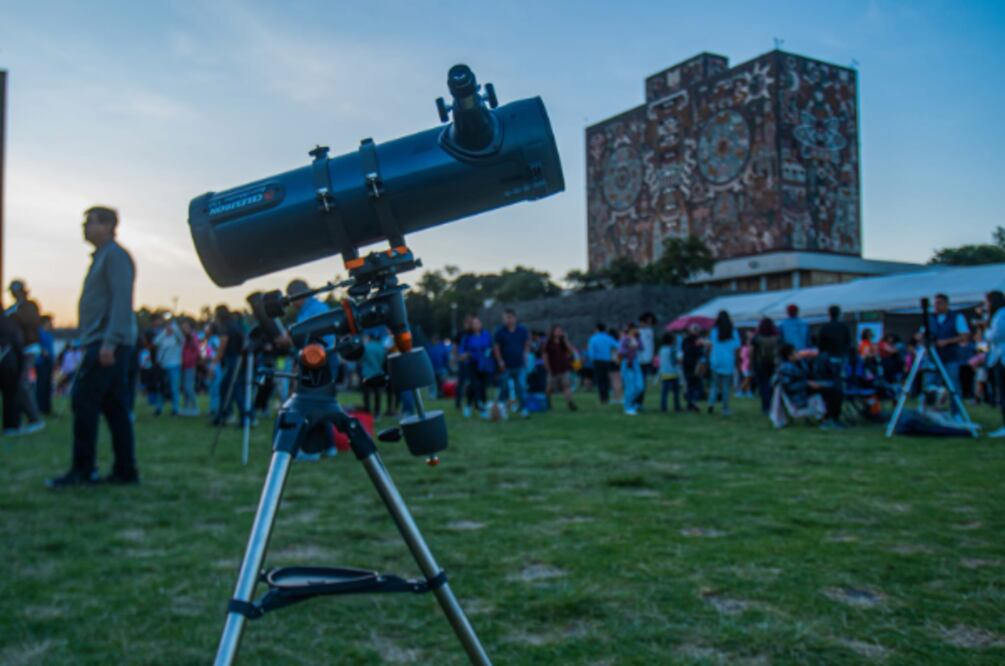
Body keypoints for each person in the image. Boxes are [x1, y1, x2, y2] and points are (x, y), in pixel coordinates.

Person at [48, 206, 139, 487]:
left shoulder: (114, 256)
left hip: (107, 344)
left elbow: (122, 301)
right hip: (103, 341)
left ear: (109, 225)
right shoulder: (103, 256)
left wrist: (109, 343)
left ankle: (83, 469)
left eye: (90, 222)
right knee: (115, 408)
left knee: (84, 403)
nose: (85, 228)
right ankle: (125, 471)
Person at [5, 279, 45, 433]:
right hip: (16, 350)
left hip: (30, 349)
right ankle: (19, 419)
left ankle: (35, 419)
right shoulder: (12, 308)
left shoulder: (30, 306)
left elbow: (30, 320)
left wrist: (12, 316)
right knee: (15, 385)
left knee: (23, 384)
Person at [777, 343, 843, 430]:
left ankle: (832, 418)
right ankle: (829, 419)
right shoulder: (786, 368)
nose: (798, 354)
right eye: (795, 352)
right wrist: (807, 384)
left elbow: (809, 374)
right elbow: (790, 387)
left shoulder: (799, 363)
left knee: (834, 390)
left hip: (807, 390)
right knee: (832, 392)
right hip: (800, 395)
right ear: (789, 356)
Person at [928, 292, 970, 414]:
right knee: (931, 385)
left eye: (939, 303)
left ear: (946, 304)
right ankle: (931, 411)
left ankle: (956, 412)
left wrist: (947, 341)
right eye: (935, 304)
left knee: (953, 386)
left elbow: (965, 336)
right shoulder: (931, 318)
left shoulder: (957, 317)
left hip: (950, 356)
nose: (936, 306)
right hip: (934, 357)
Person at [493, 308, 530, 418]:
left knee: (522, 387)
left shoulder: (522, 330)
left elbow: (527, 343)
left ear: (514, 318)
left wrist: (526, 355)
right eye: (505, 318)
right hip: (506, 366)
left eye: (509, 317)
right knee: (504, 388)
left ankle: (523, 409)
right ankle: (501, 410)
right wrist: (500, 361)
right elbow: (496, 347)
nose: (507, 320)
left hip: (519, 364)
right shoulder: (499, 332)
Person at [706, 310, 741, 416]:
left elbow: (710, 345)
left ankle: (711, 403)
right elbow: (737, 348)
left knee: (714, 385)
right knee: (726, 386)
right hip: (728, 361)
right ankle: (725, 408)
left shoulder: (714, 331)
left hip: (715, 360)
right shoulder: (733, 331)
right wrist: (737, 361)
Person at [459, 316, 494, 418]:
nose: (476, 325)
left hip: (484, 364)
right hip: (471, 364)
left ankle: (474, 405)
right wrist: (465, 355)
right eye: (474, 323)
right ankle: (478, 407)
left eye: (478, 323)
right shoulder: (467, 336)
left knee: (482, 386)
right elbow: (462, 351)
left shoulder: (486, 334)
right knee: (475, 384)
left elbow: (490, 346)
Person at [153, 314, 184, 416]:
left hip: (174, 365)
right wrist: (164, 332)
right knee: (161, 387)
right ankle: (159, 408)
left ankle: (175, 409)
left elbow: (182, 338)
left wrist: (175, 329)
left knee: (174, 388)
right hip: (163, 365)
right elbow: (155, 342)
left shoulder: (177, 338)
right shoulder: (162, 337)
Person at [984, 290, 1005, 438]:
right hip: (999, 357)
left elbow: (996, 335)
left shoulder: (1001, 315)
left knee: (1003, 392)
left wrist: (987, 330)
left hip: (1002, 358)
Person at [0, 301, 23, 434]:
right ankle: (11, 426)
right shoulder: (11, 323)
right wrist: (20, 367)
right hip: (10, 363)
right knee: (11, 396)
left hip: (8, 360)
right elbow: (18, 346)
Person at [542, 325, 578, 411]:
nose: (559, 332)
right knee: (549, 388)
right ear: (553, 332)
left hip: (564, 367)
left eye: (560, 330)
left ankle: (570, 402)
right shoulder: (548, 343)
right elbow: (545, 355)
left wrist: (565, 339)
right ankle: (548, 403)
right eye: (557, 330)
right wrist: (547, 367)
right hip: (553, 368)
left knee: (566, 385)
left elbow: (571, 351)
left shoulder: (563, 342)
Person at [817, 305, 852, 385]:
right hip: (842, 355)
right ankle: (841, 392)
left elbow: (820, 344)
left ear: (829, 314)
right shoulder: (844, 327)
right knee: (841, 377)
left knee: (830, 377)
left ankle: (833, 393)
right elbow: (848, 342)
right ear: (839, 314)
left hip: (829, 355)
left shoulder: (825, 327)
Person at [752, 317, 779, 414]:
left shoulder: (757, 338)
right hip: (773, 364)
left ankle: (765, 407)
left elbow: (753, 352)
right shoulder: (776, 337)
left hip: (760, 364)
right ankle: (773, 405)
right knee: (772, 385)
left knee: (763, 386)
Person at [587, 323, 619, 404]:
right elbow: (617, 345)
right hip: (607, 361)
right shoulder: (608, 338)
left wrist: (592, 360)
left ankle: (602, 398)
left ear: (597, 329)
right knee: (606, 380)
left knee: (600, 380)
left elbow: (591, 351)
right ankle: (607, 398)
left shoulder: (593, 338)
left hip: (597, 361)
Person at [360, 332, 387, 416]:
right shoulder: (381, 347)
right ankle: (377, 412)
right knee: (377, 395)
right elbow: (384, 361)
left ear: (369, 337)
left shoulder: (366, 347)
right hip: (378, 373)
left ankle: (367, 411)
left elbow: (361, 359)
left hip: (367, 374)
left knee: (367, 394)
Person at [618, 323, 643, 416]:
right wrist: (629, 347)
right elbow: (621, 351)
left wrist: (638, 339)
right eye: (635, 329)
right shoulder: (625, 338)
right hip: (627, 362)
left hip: (635, 362)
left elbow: (641, 347)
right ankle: (628, 407)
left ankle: (632, 402)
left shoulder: (636, 338)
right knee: (630, 386)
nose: (636, 330)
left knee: (640, 386)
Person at [636, 313, 657, 409]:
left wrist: (652, 357)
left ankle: (640, 403)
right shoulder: (637, 332)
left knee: (643, 382)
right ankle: (634, 401)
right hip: (637, 360)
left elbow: (651, 346)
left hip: (646, 360)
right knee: (637, 382)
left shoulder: (650, 332)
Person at [681, 324, 704, 412]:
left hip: (695, 365)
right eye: (694, 329)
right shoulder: (687, 340)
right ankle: (691, 404)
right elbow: (686, 350)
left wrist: (700, 346)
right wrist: (697, 346)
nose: (696, 331)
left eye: (697, 329)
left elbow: (701, 353)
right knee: (692, 385)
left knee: (694, 385)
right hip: (689, 365)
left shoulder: (699, 340)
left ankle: (692, 403)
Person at [180, 319, 201, 416]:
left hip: (190, 365)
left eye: (186, 327)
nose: (184, 329)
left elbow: (197, 351)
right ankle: (187, 407)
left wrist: (190, 360)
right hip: (183, 365)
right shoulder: (183, 338)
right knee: (185, 387)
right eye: (183, 327)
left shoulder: (193, 338)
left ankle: (195, 407)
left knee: (188, 387)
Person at [35, 315, 55, 416]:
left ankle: (47, 409)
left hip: (49, 362)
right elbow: (37, 344)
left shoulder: (49, 334)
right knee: (41, 386)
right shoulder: (39, 332)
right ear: (45, 322)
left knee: (48, 386)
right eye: (50, 321)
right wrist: (43, 352)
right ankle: (40, 408)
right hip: (42, 362)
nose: (52, 323)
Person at [657, 331, 681, 413]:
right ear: (671, 341)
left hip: (664, 373)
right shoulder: (672, 350)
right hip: (673, 373)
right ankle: (677, 407)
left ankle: (663, 407)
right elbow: (675, 361)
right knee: (676, 392)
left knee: (664, 393)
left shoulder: (661, 349)